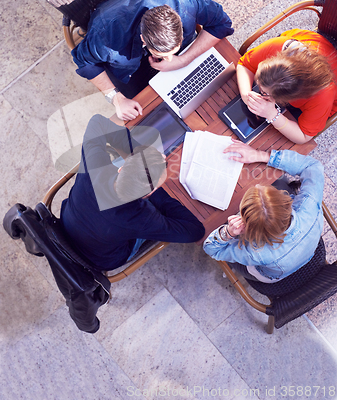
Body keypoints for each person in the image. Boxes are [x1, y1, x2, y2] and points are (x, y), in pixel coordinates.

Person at [60, 114, 205, 271]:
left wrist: (141, 161)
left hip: (67, 226)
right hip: (101, 259)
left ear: (122, 169)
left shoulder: (94, 166)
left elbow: (97, 121)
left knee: (113, 158)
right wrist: (160, 196)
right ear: (149, 193)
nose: (164, 158)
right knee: (151, 225)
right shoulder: (142, 218)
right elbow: (195, 231)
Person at [71, 0, 234, 120]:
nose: (170, 59)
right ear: (143, 40)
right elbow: (84, 62)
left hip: (149, 28)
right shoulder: (106, 37)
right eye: (163, 55)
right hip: (128, 66)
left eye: (173, 52)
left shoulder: (183, 2)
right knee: (149, 115)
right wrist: (116, 98)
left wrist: (184, 59)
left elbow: (222, 23)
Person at [203, 139, 324, 283]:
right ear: (284, 202)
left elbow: (212, 250)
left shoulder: (255, 253)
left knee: (233, 253)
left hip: (270, 275)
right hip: (308, 250)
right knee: (280, 182)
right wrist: (262, 156)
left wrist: (228, 232)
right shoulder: (309, 203)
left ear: (250, 228)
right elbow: (313, 166)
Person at [236, 28, 337, 144]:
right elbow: (244, 65)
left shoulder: (323, 97)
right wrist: (246, 95)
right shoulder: (278, 45)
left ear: (286, 99)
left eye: (263, 92)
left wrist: (272, 114)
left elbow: (303, 136)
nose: (258, 87)